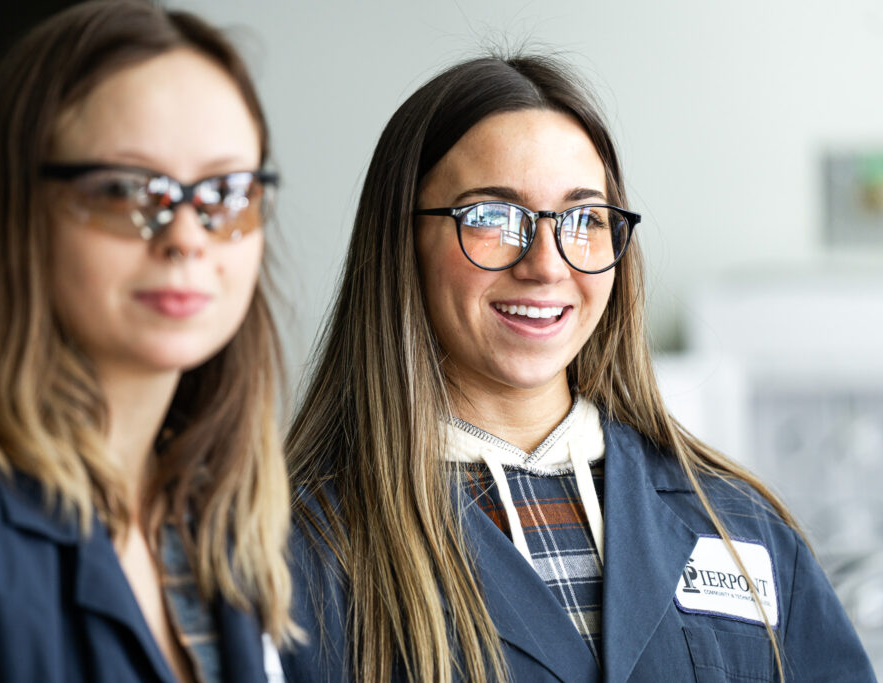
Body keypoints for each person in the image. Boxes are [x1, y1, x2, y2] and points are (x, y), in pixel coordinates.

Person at [280, 54, 875, 682]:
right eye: (491, 216)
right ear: (400, 242)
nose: (547, 263)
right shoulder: (296, 549)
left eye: (583, 219)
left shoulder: (739, 523)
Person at [0, 1, 294, 681]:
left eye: (225, 192)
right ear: (20, 214)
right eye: (126, 189)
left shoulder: (217, 505)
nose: (186, 237)